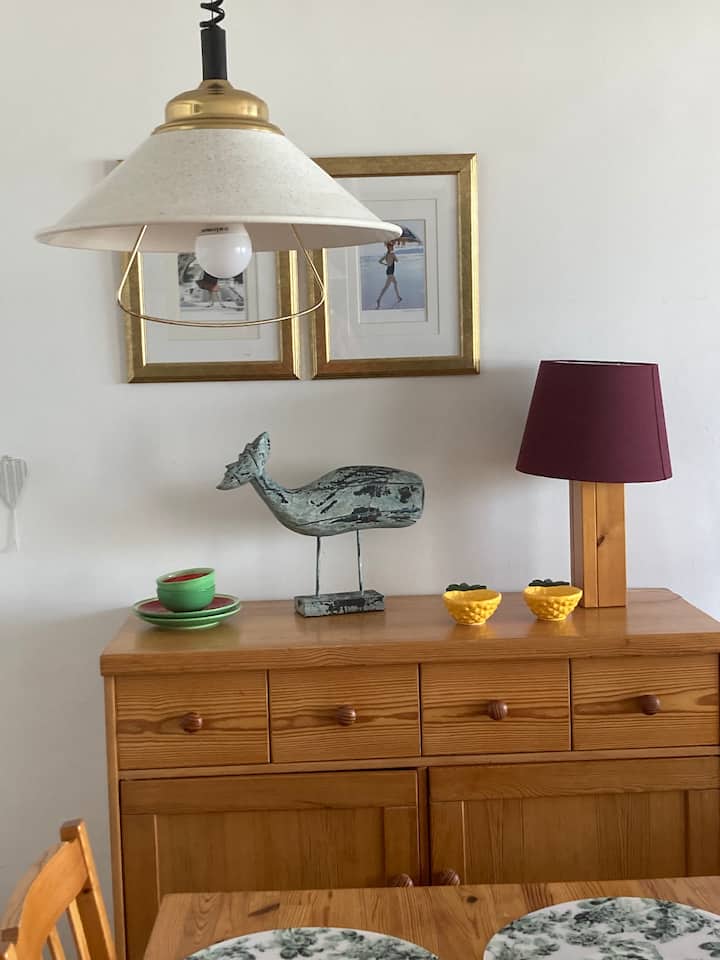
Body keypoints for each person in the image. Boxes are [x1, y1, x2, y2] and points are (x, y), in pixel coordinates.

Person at [376, 241, 403, 308]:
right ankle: (379, 299)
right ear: (389, 248)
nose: (392, 247)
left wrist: (386, 264)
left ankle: (398, 297)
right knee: (386, 287)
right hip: (390, 272)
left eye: (392, 246)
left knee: (395, 283)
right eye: (391, 247)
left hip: (389, 271)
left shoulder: (386, 254)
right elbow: (397, 260)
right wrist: (394, 257)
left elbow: (380, 261)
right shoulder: (392, 254)